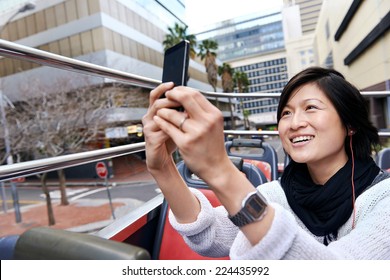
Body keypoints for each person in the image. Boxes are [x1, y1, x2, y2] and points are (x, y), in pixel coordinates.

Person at [142, 66, 390, 259]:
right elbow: (211, 236)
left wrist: (220, 170)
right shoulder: (275, 194)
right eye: (286, 113)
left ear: (351, 125)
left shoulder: (383, 199)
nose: (294, 124)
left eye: (311, 108)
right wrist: (163, 169)